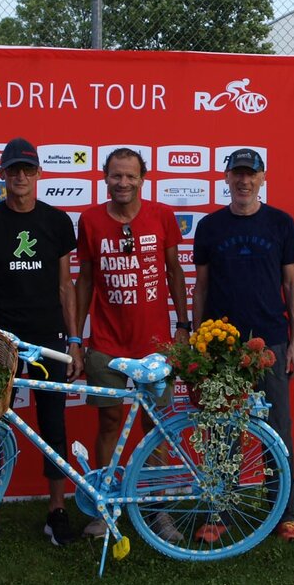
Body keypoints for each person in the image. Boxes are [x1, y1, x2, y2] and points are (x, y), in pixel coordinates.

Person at [0, 137, 83, 548]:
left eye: (27, 169)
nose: (21, 177)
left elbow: (65, 286)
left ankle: (56, 511)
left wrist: (74, 340)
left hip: (48, 336)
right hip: (1, 337)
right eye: (13, 170)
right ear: (2, 175)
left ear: (39, 173)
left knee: (53, 422)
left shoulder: (57, 221)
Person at [74, 147, 190, 537]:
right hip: (106, 342)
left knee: (155, 425)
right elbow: (85, 280)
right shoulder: (90, 220)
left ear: (143, 178)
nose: (123, 182)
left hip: (154, 345)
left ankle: (158, 510)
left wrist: (183, 325)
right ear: (105, 177)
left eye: (130, 176)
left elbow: (174, 271)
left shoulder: (162, 216)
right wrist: (76, 338)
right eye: (116, 175)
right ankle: (104, 508)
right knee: (109, 422)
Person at [193, 147, 294, 542]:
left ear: (262, 178)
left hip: (270, 342)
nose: (244, 181)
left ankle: (284, 513)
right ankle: (221, 509)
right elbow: (201, 287)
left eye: (251, 173)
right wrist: (199, 343)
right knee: (222, 431)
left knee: (277, 430)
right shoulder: (209, 226)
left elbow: (292, 284)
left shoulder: (281, 223)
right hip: (222, 347)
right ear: (227, 178)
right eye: (237, 173)